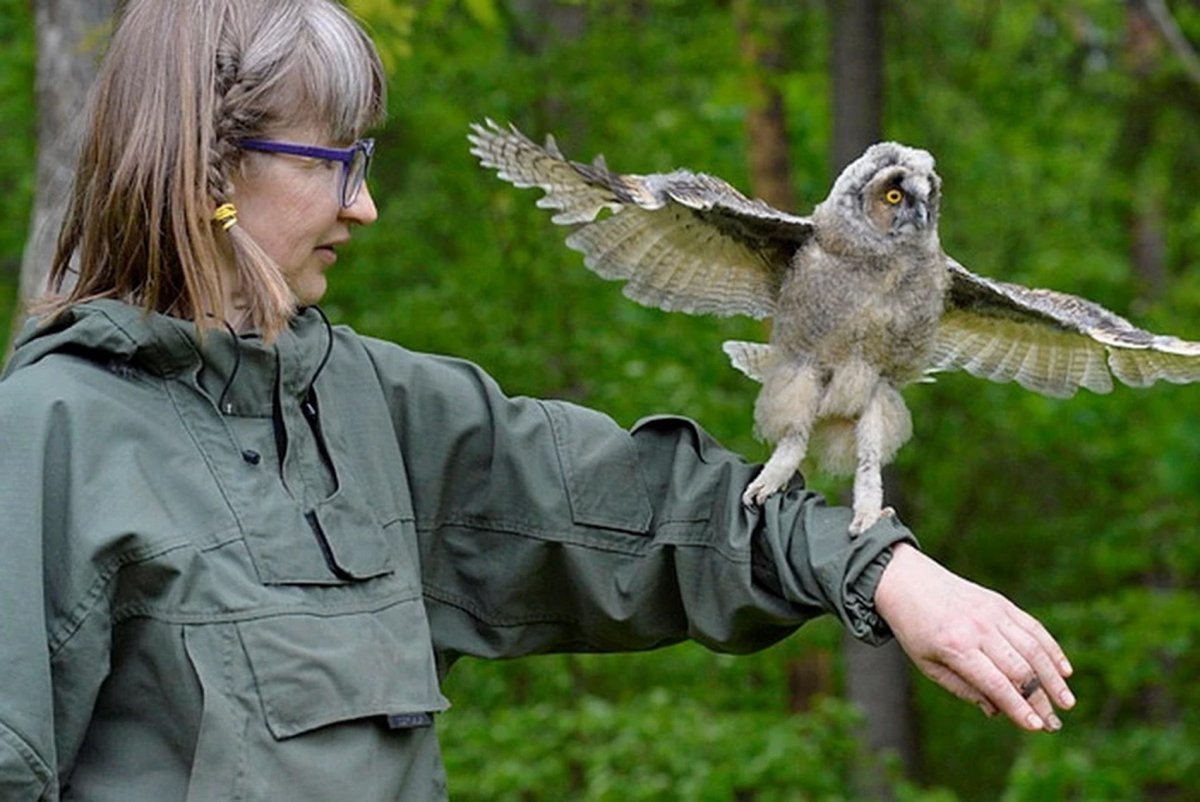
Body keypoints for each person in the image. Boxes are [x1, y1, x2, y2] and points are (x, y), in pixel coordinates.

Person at [0, 0, 1075, 799]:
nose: (364, 204)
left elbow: (641, 512)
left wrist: (880, 566)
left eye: (364, 161)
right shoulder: (59, 434)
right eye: (334, 161)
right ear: (209, 170)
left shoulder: (372, 407)